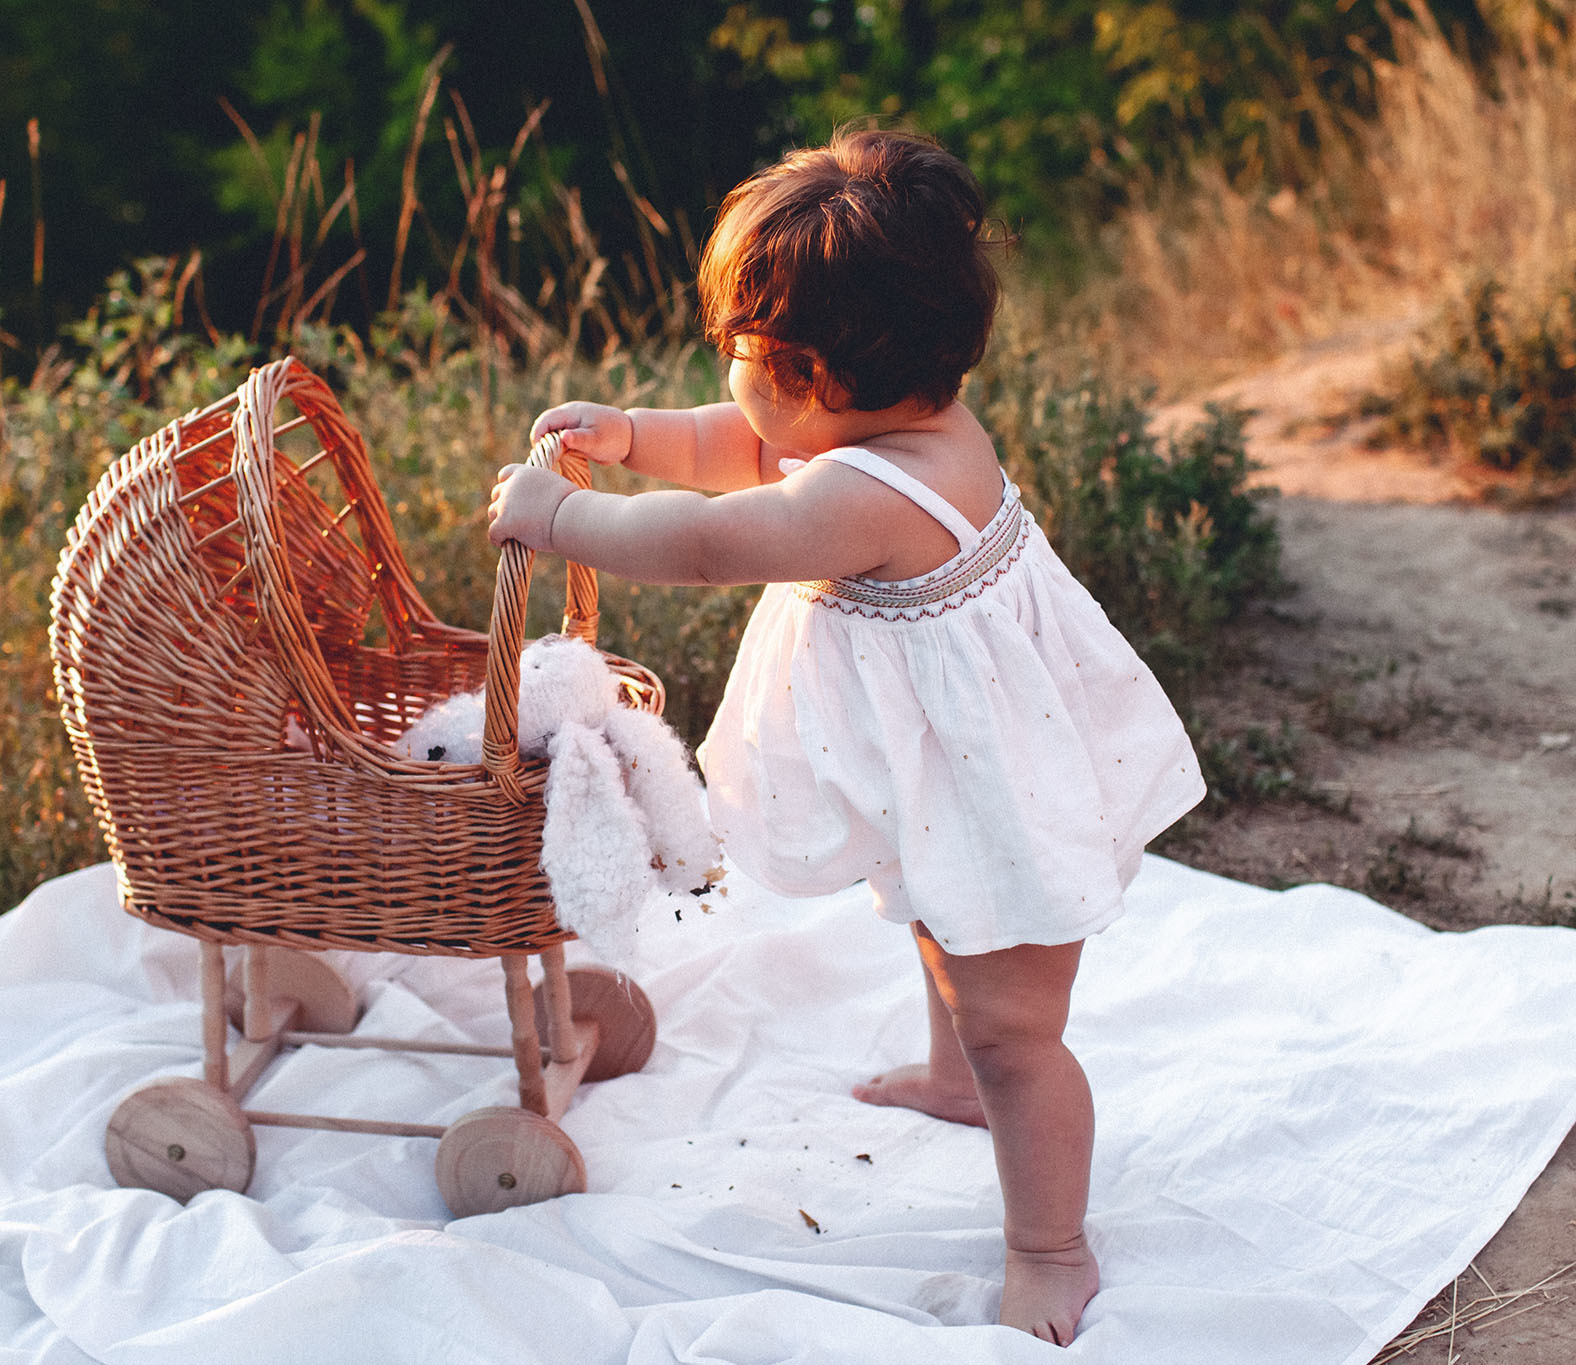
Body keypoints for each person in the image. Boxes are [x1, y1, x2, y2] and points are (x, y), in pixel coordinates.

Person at [486, 125, 1203, 1346]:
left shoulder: (862, 494)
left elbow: (705, 541)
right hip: (944, 764)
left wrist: (561, 518)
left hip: (996, 782)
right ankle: (951, 1080)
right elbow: (735, 445)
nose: (725, 373)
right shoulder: (872, 425)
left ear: (810, 371)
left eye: (737, 352)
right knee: (936, 909)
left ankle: (1049, 1245)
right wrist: (633, 437)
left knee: (1015, 1030)